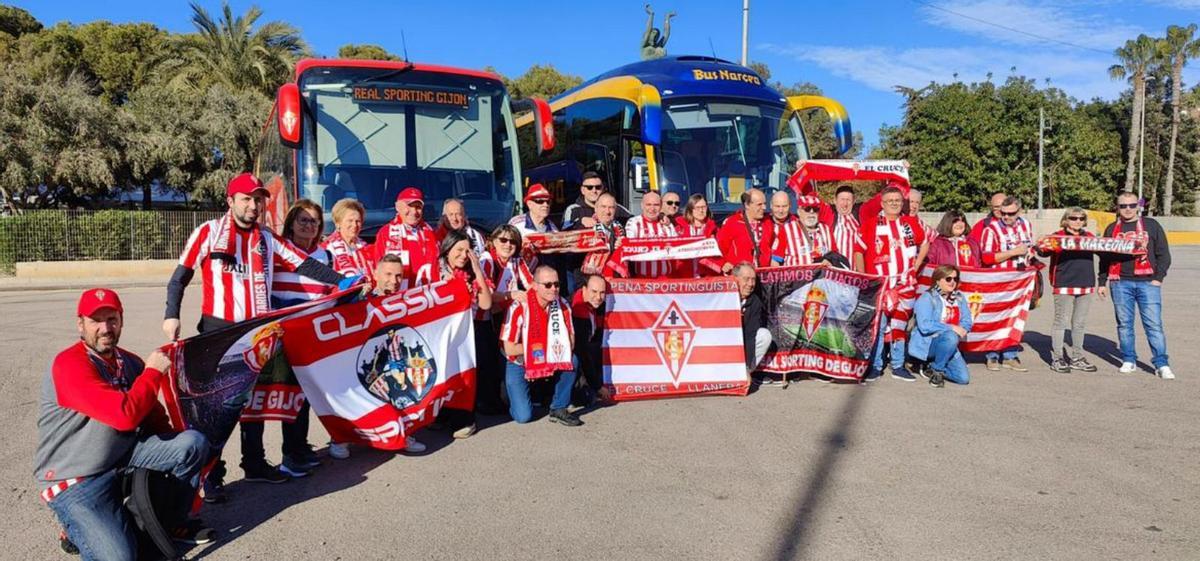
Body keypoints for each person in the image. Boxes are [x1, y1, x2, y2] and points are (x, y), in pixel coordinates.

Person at [163, 173, 342, 499]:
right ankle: (210, 475)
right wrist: (171, 315)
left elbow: (303, 264)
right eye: (246, 198)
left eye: (258, 199)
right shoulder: (208, 232)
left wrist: (343, 281)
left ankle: (255, 463)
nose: (253, 205)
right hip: (218, 331)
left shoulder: (268, 238)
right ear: (230, 201)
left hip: (257, 333)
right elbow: (179, 278)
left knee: (252, 405)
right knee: (214, 409)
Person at [37, 289, 213, 558]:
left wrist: (182, 455)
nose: (105, 328)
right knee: (121, 557)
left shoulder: (129, 362)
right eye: (96, 320)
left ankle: (168, 524)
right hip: (77, 478)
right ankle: (74, 528)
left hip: (123, 458)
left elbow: (154, 417)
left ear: (121, 320)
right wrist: (153, 371)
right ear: (80, 324)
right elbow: (124, 415)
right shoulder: (68, 364)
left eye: (112, 319)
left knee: (191, 444)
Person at [330, 255, 431, 460]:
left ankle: (402, 434)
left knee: (400, 391)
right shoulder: (360, 297)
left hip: (393, 363)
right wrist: (355, 298)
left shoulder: (405, 301)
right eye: (388, 274)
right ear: (376, 274)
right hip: (360, 360)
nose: (393, 281)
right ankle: (341, 438)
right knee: (352, 398)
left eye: (398, 276)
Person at [259, 200, 328, 478]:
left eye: (314, 221)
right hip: (283, 334)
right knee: (286, 395)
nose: (309, 226)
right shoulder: (278, 252)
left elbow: (330, 290)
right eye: (303, 220)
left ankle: (299, 447)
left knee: (305, 395)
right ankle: (289, 455)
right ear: (290, 223)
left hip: (311, 335)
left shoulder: (325, 255)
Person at [1098, 192, 1173, 379]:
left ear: (1138, 206)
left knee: (1154, 325)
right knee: (1124, 325)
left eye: (1132, 205)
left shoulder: (1152, 225)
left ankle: (1161, 363)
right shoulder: (1111, 229)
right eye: (1123, 206)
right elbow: (1104, 258)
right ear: (1117, 207)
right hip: (1120, 282)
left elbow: (1164, 254)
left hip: (1148, 282)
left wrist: (1158, 278)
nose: (1128, 209)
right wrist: (1102, 282)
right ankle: (1129, 359)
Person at [856, 186, 928, 382]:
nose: (895, 203)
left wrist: (916, 265)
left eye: (898, 200)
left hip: (904, 286)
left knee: (899, 326)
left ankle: (898, 365)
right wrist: (865, 278)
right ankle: (876, 366)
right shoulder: (870, 224)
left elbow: (925, 242)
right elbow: (858, 251)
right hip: (880, 286)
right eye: (890, 201)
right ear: (882, 204)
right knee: (878, 328)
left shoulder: (909, 224)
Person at [499, 266, 583, 426]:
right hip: (518, 361)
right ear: (535, 285)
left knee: (572, 360)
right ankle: (507, 392)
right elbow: (510, 348)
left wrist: (545, 351)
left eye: (557, 284)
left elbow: (570, 341)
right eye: (548, 285)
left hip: (547, 355)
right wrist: (543, 348)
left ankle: (559, 408)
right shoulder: (519, 307)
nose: (554, 289)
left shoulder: (563, 304)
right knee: (523, 417)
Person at [437, 230, 494, 438]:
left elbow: (486, 304)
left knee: (464, 377)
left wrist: (477, 270)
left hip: (466, 334)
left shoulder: (472, 272)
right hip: (440, 334)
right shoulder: (434, 270)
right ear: (447, 249)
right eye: (459, 250)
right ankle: (441, 415)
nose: (463, 255)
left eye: (467, 251)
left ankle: (464, 418)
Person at [479, 225, 534, 414]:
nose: (508, 244)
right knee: (487, 362)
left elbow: (531, 285)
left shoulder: (517, 262)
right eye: (503, 240)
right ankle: (488, 403)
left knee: (503, 355)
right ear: (493, 241)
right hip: (482, 318)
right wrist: (511, 294)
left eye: (512, 241)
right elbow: (485, 294)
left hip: (502, 317)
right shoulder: (487, 260)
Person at [1037, 208, 1099, 374]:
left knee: (1079, 323)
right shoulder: (1057, 236)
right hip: (1063, 283)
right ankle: (1057, 358)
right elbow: (1043, 251)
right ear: (1066, 220)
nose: (1077, 221)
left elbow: (1107, 251)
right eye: (1073, 218)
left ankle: (1077, 357)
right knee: (1060, 322)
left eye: (1081, 218)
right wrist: (1041, 243)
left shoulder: (1089, 238)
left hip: (1085, 284)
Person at [976, 195, 1034, 372]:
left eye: (1011, 214)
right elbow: (986, 257)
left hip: (1019, 279)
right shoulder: (991, 229)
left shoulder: (1026, 225)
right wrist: (1013, 252)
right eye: (1003, 213)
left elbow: (1029, 246)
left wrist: (1030, 253)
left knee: (1016, 317)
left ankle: (1010, 354)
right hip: (998, 279)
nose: (1007, 217)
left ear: (1019, 211)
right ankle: (991, 354)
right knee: (995, 317)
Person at [908, 266, 972, 387]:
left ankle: (930, 367)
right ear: (938, 280)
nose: (952, 282)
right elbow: (924, 325)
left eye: (955, 279)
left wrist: (963, 328)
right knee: (951, 336)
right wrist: (952, 328)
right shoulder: (927, 298)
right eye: (948, 279)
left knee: (963, 378)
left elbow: (967, 320)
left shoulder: (959, 297)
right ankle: (937, 370)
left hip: (949, 343)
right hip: (928, 343)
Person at [375, 187, 439, 289]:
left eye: (418, 207)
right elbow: (379, 269)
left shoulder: (431, 232)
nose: (414, 212)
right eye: (409, 206)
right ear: (397, 206)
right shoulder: (385, 233)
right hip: (401, 297)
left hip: (429, 294)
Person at [571, 274, 611, 405]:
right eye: (594, 292)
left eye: (602, 293)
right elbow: (583, 352)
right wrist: (598, 386)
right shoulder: (577, 309)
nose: (599, 297)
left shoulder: (595, 305)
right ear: (584, 289)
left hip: (584, 350)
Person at [717, 188, 775, 272]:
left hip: (763, 276)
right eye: (759, 204)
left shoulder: (768, 222)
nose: (764, 207)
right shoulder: (732, 223)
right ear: (747, 205)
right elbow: (721, 247)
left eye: (765, 204)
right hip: (740, 277)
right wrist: (724, 264)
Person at [772, 192, 836, 267]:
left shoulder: (826, 230)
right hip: (796, 277)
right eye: (807, 209)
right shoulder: (787, 230)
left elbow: (835, 254)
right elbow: (775, 261)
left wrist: (830, 261)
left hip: (822, 277)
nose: (811, 212)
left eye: (815, 209)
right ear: (799, 212)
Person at [624, 191, 678, 278]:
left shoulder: (667, 224)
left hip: (665, 279)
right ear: (642, 205)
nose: (652, 208)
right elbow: (630, 245)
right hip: (642, 279)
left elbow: (677, 246)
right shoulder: (633, 222)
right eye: (648, 204)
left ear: (660, 207)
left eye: (656, 205)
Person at [733, 263, 772, 376]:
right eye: (746, 279)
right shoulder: (722, 297)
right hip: (722, 346)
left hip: (744, 343)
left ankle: (746, 373)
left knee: (764, 335)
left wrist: (746, 368)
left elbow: (751, 335)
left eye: (753, 280)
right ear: (735, 279)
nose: (750, 284)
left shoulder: (755, 302)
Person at [323, 198, 375, 279]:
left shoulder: (366, 247)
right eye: (350, 221)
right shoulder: (327, 249)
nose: (354, 225)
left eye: (358, 221)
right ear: (338, 223)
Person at [673, 194, 720, 278]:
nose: (701, 211)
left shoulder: (714, 229)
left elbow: (721, 252)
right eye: (697, 208)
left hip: (706, 276)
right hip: (683, 275)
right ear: (691, 209)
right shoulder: (679, 227)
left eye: (703, 207)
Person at [829, 184, 861, 263]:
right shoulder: (829, 214)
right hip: (835, 270)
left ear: (853, 201)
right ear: (835, 201)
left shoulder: (860, 214)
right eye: (842, 199)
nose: (845, 204)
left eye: (848, 200)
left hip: (857, 271)